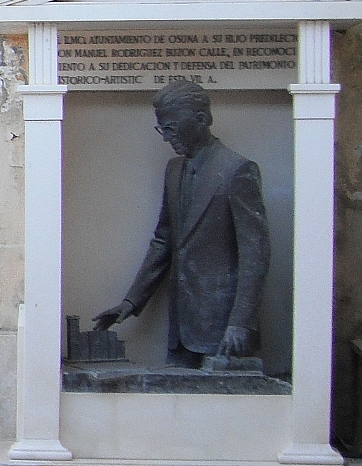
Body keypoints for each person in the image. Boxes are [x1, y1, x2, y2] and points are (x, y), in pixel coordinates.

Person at [93, 80, 270, 368]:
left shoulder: (237, 170)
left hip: (224, 330)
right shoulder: (174, 171)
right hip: (181, 327)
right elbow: (164, 240)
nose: (165, 137)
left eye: (170, 127)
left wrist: (241, 323)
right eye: (161, 128)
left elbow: (255, 254)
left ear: (201, 120)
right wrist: (132, 302)